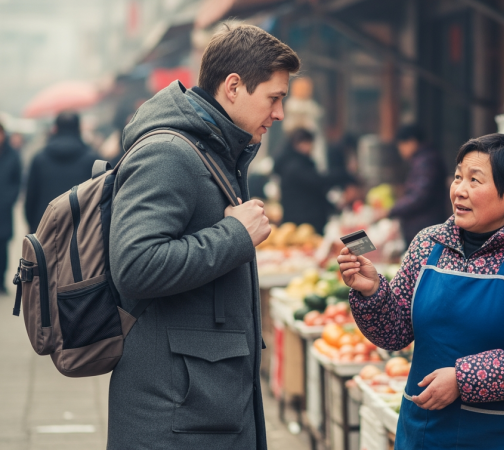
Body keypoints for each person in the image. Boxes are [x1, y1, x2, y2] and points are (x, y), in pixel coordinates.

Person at [107, 24, 300, 450]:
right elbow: (135, 266)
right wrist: (235, 235)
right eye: (274, 97)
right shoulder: (170, 154)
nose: (280, 113)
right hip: (176, 417)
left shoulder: (217, 150)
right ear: (233, 87)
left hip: (204, 410)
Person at [338, 133, 504, 450]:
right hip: (427, 431)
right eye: (457, 177)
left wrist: (464, 379)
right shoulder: (429, 244)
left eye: (475, 180)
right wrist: (372, 292)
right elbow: (394, 334)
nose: (459, 190)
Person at [24, 111, 98, 231]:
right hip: (81, 233)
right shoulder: (93, 160)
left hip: (44, 229)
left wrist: (34, 228)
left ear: (55, 128)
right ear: (78, 128)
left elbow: (30, 199)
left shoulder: (39, 159)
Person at [387, 124, 449, 244]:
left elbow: (419, 196)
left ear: (411, 142)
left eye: (401, 145)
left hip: (425, 227)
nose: (400, 150)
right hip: (424, 226)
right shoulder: (423, 159)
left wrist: (392, 210)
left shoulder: (426, 161)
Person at [274, 127, 342, 233]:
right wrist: (342, 175)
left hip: (298, 219)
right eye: (309, 143)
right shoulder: (295, 166)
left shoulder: (292, 163)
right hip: (303, 222)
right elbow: (317, 182)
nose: (311, 147)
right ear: (300, 143)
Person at [0, 123, 22, 294]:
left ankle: (1, 280)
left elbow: (17, 181)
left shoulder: (12, 155)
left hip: (4, 208)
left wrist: (9, 198)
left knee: (2, 244)